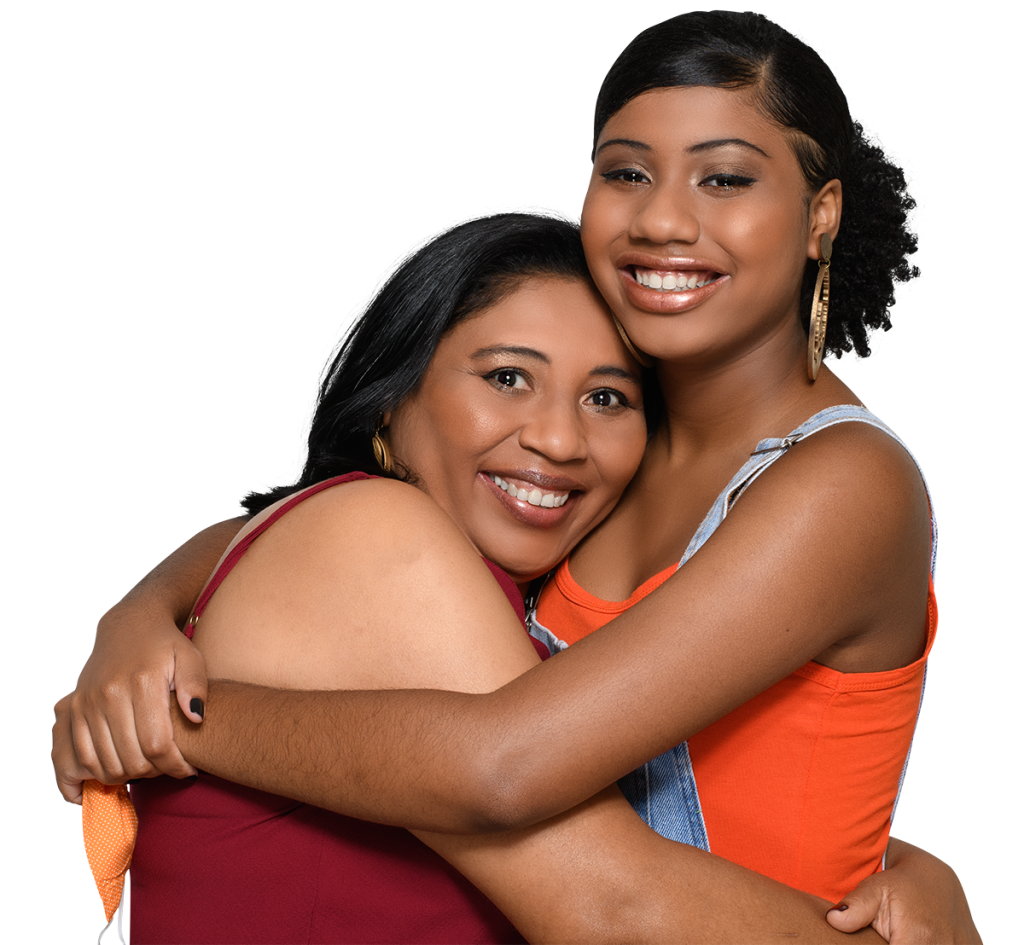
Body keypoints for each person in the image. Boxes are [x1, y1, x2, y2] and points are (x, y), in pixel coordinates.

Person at [54, 12, 982, 945]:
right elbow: (350, 524)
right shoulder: (609, 454)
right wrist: (139, 613)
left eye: (725, 177)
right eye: (626, 171)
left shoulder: (841, 480)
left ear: (821, 215)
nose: (663, 217)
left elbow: (507, 766)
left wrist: (175, 724)